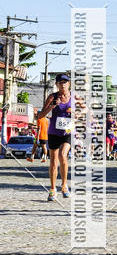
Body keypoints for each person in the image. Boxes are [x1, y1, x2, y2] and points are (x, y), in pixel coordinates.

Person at [37, 73, 73, 201]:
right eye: (60, 82)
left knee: (63, 155)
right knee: (53, 161)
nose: (63, 84)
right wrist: (52, 106)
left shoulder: (74, 97)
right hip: (53, 132)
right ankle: (52, 189)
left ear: (69, 83)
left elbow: (85, 109)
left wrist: (77, 113)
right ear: (57, 84)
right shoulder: (52, 97)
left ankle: (64, 185)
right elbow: (41, 115)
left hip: (67, 132)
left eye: (65, 82)